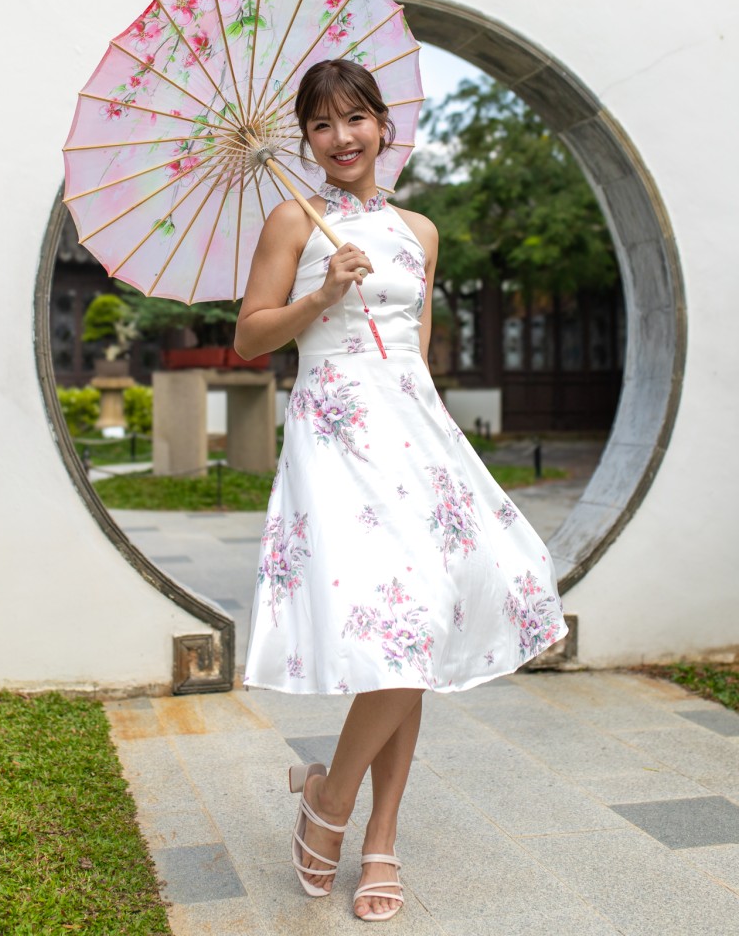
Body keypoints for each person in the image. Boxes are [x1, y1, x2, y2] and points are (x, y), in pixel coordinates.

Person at [235, 59, 568, 922]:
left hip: (410, 426)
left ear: (384, 126)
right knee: (404, 619)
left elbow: (414, 348)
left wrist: (436, 440)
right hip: (334, 430)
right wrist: (322, 293)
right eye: (320, 126)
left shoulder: (418, 231)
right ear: (305, 140)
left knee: (426, 616)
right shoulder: (288, 220)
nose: (340, 139)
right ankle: (338, 812)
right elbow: (249, 339)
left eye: (354, 120)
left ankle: (357, 823)